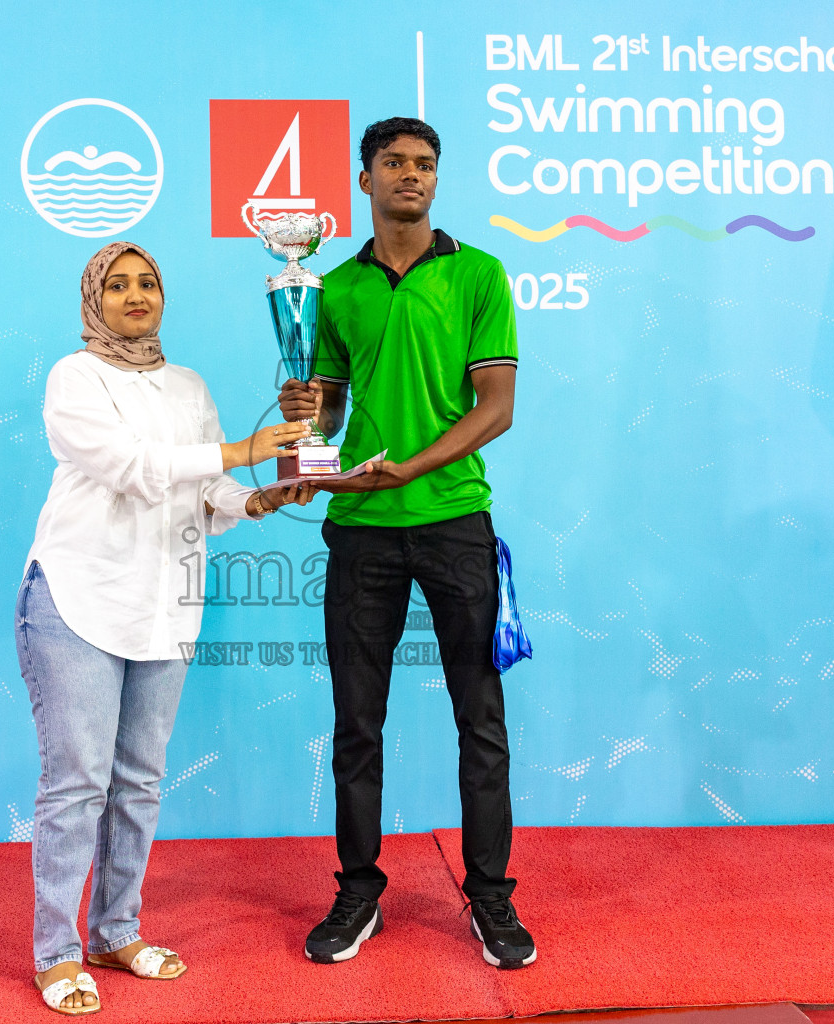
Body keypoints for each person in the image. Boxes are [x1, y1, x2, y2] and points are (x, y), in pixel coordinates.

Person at [20, 241, 313, 1014]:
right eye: (116, 284)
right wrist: (243, 451)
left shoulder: (188, 386)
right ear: (94, 300)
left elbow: (204, 487)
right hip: (79, 597)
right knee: (77, 783)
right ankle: (57, 950)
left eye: (148, 281)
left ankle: (117, 930)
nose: (135, 294)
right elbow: (130, 464)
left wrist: (252, 498)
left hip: (166, 602)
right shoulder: (74, 376)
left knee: (140, 781)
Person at [280, 118, 536, 969]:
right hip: (360, 529)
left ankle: (491, 900)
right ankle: (358, 894)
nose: (411, 176)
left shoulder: (478, 274)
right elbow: (333, 416)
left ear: (437, 178)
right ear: (366, 180)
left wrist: (412, 470)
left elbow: (493, 408)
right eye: (394, 163)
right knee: (357, 721)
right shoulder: (334, 291)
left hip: (456, 520)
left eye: (425, 164)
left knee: (481, 719)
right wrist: (303, 425)